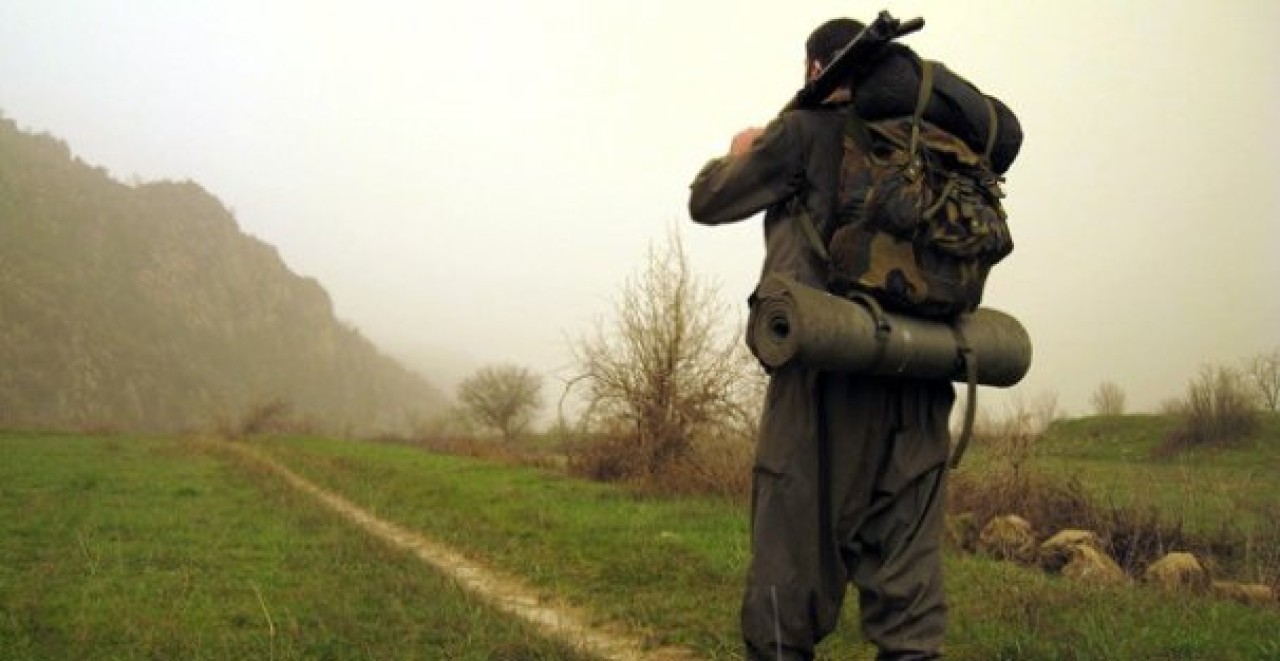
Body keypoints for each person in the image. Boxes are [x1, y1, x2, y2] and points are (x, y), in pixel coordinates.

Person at [688, 18, 953, 661]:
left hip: (823, 374)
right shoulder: (935, 152)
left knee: (789, 563)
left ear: (817, 70)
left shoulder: (802, 133)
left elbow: (708, 201)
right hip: (922, 375)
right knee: (909, 590)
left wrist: (739, 150)